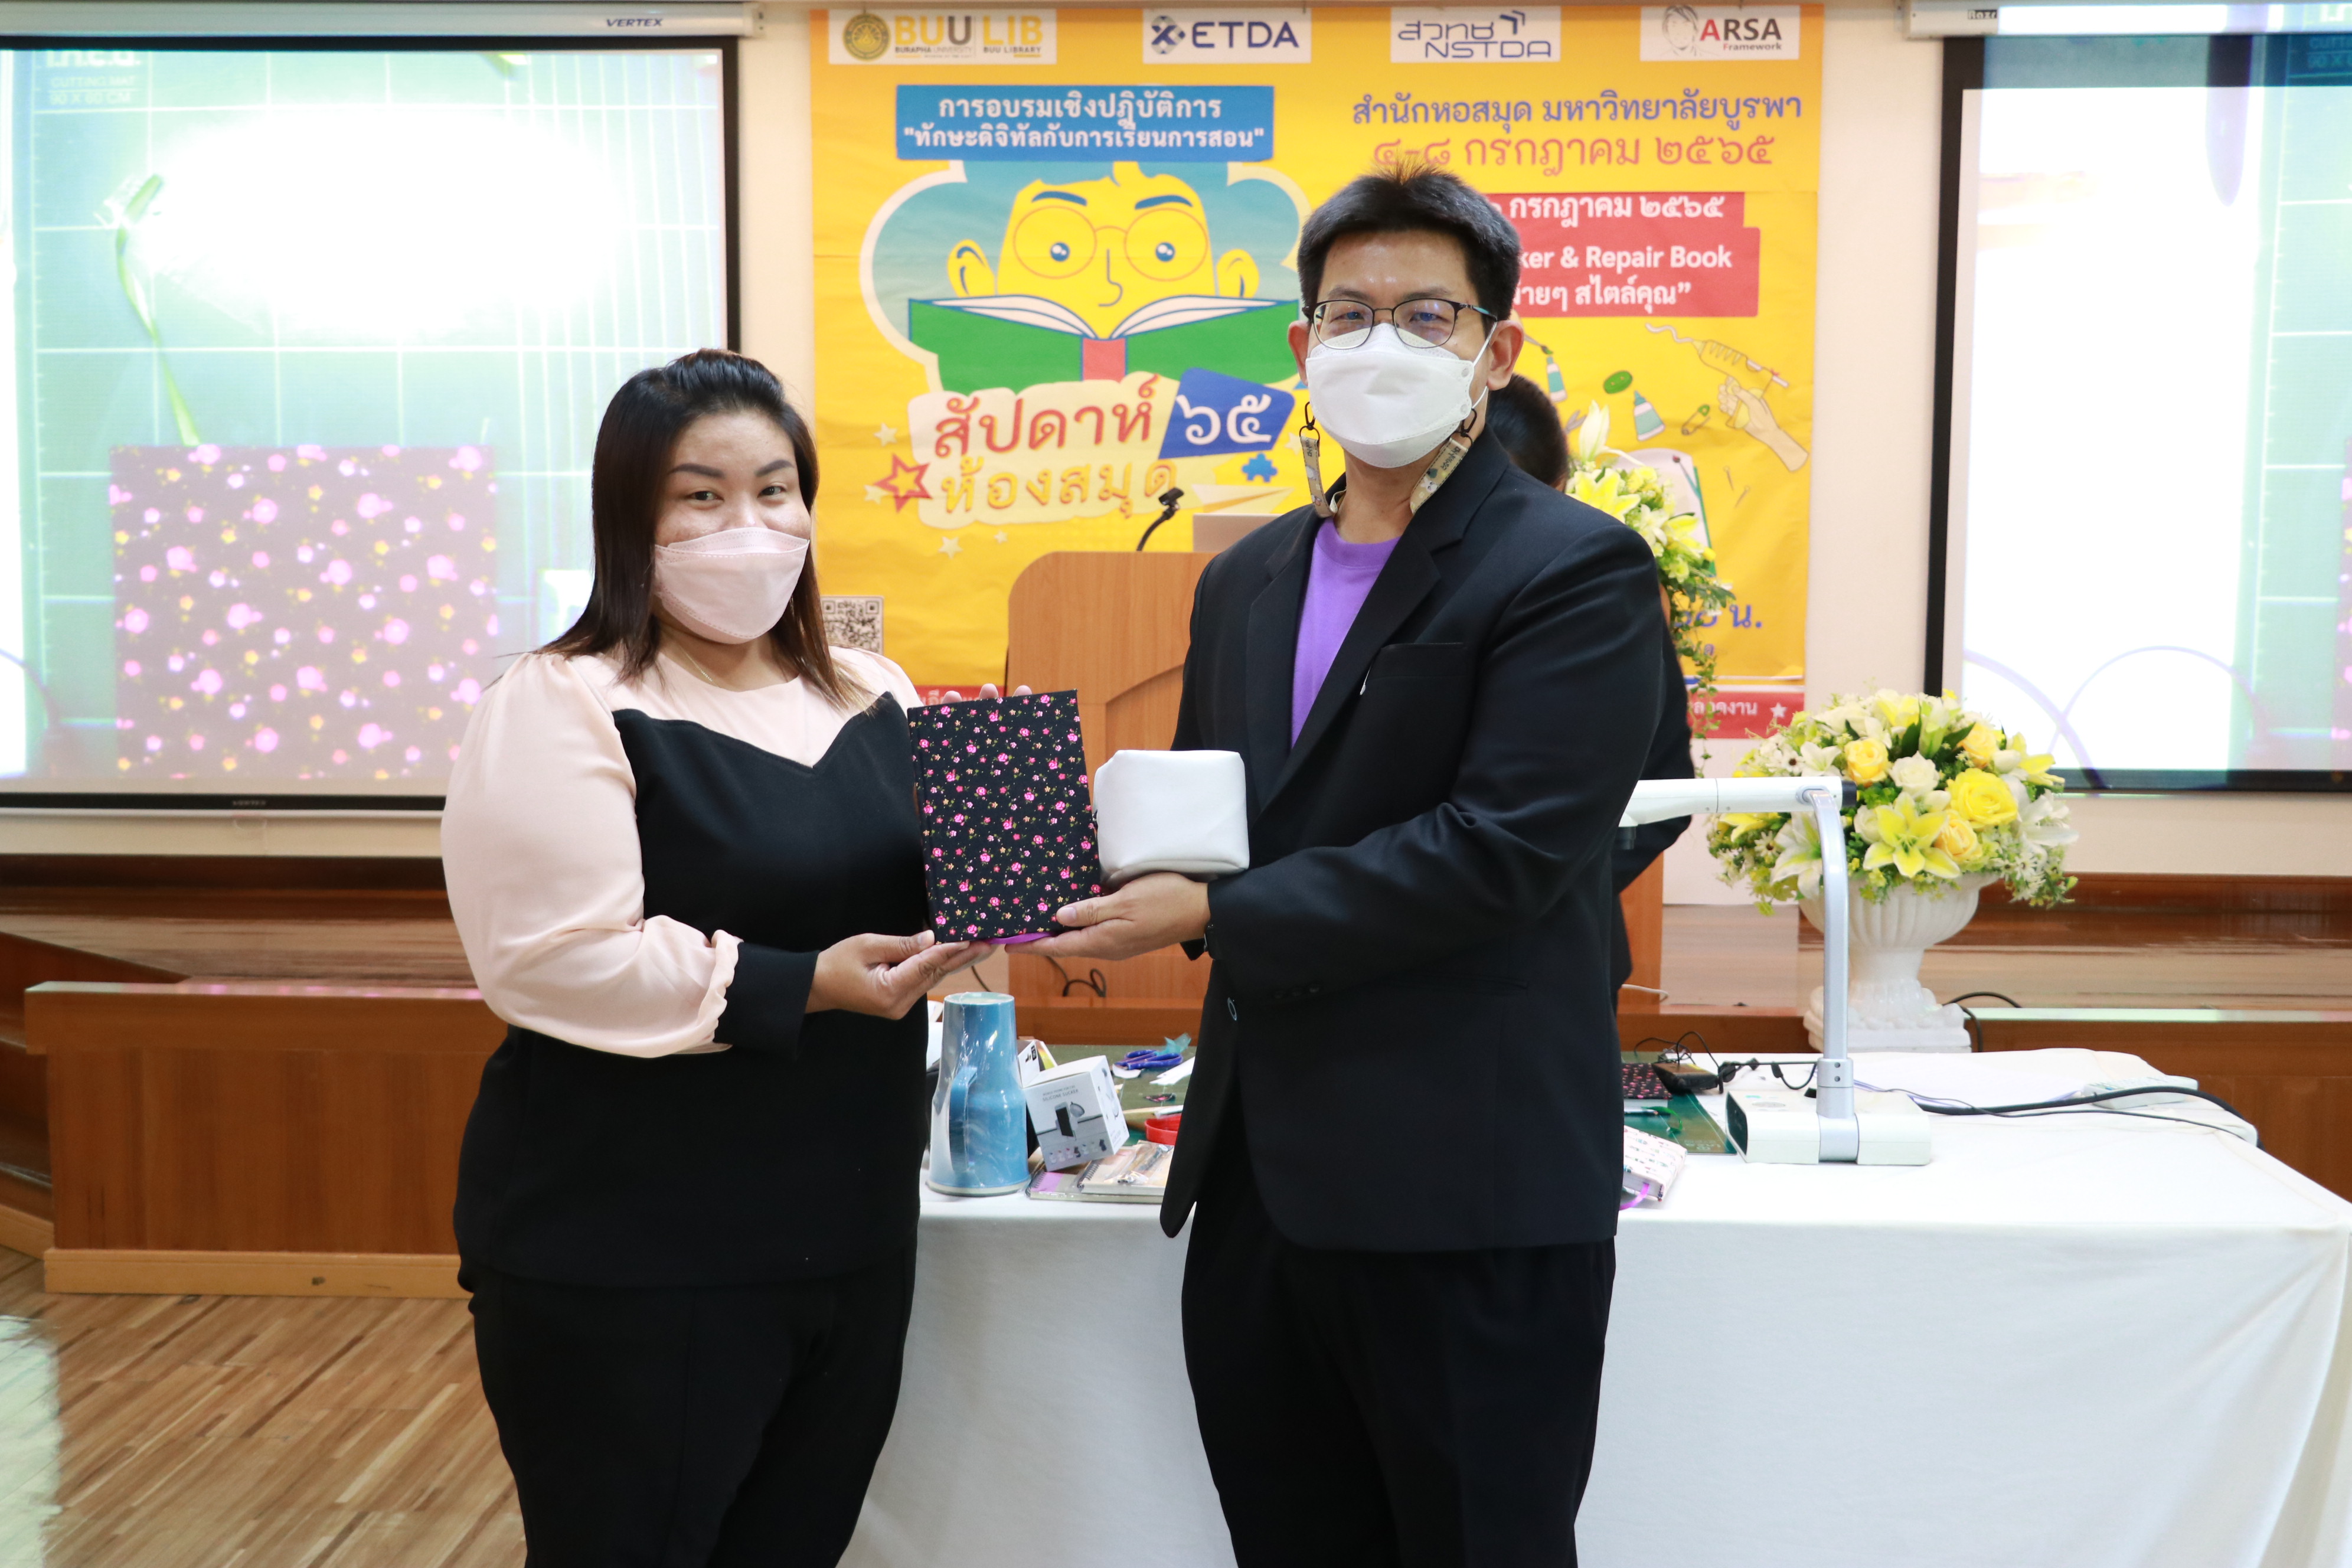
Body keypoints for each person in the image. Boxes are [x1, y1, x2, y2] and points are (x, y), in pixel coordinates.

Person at [1032, 165, 1661, 1567]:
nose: (1383, 343)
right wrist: (1035, 869)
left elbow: (1502, 850)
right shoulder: (1244, 578)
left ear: (1496, 349)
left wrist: (1217, 907)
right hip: (1260, 1180)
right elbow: (1206, 815)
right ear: (1300, 343)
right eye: (1348, 312)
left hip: (1468, 1188)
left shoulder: (1574, 568)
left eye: (1427, 314)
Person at [441, 349, 993, 1568]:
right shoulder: (562, 699)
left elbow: (939, 897)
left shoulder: (873, 688)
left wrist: (1036, 884)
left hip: (850, 1231)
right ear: (630, 516)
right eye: (701, 495)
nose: (748, 525)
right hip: (633, 1246)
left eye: (774, 489)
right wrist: (805, 983)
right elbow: (549, 958)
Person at [1485, 372, 1695, 998]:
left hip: (1558, 964)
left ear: (1560, 490)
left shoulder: (1606, 589)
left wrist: (1566, 880)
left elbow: (1664, 784)